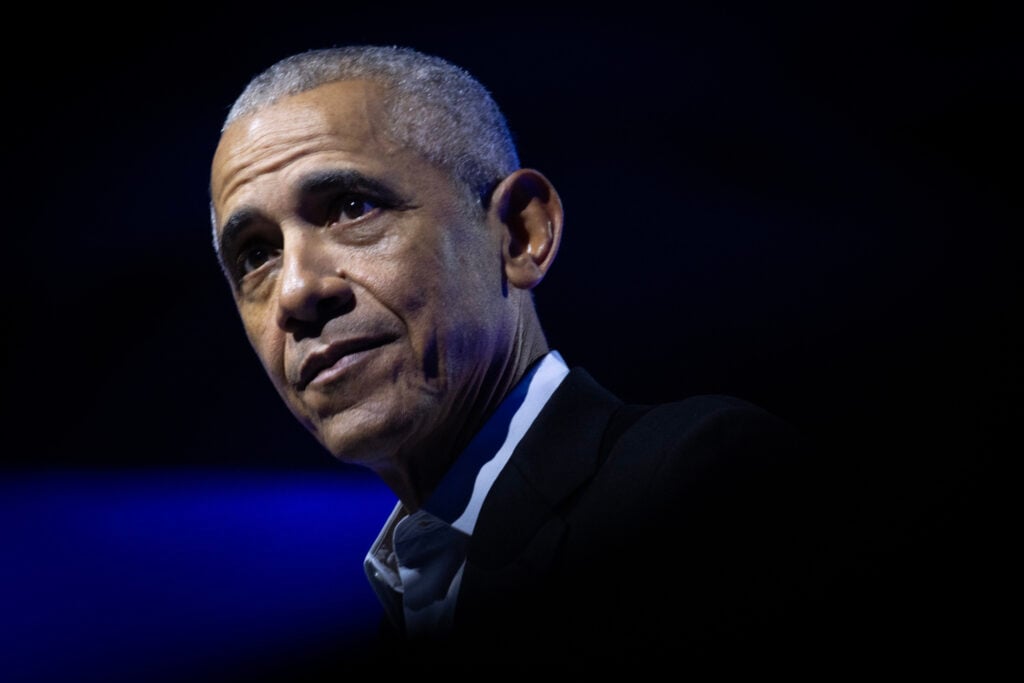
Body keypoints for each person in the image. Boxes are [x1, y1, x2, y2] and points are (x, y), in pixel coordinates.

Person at [208, 44, 859, 677]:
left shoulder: (695, 483)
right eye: (256, 255)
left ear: (520, 234)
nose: (295, 290)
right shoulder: (401, 610)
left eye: (354, 207)